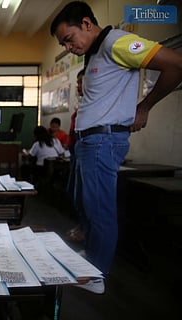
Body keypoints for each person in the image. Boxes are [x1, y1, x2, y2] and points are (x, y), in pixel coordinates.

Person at [50, 1, 182, 294]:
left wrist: (144, 107)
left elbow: (175, 64)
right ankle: (93, 261)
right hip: (89, 142)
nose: (68, 48)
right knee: (86, 204)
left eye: (68, 40)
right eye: (63, 44)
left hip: (102, 141)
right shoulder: (96, 51)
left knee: (100, 211)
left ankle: (96, 275)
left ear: (86, 24)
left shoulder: (117, 42)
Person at [65, 69, 85, 243]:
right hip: (74, 152)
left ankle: (85, 229)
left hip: (82, 151)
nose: (78, 86)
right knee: (75, 192)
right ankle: (82, 225)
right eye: (77, 82)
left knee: (85, 194)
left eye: (80, 82)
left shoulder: (94, 106)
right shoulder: (82, 106)